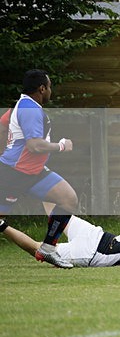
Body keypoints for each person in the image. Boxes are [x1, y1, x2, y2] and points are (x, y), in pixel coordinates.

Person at [0, 70, 79, 268]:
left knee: (68, 199)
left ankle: (48, 249)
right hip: (14, 174)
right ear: (42, 88)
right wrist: (61, 145)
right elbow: (34, 145)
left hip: (34, 172)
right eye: (49, 86)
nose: (50, 90)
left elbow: (2, 126)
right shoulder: (30, 109)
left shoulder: (24, 105)